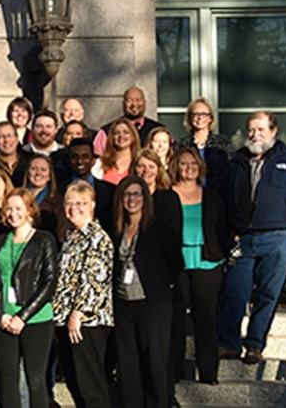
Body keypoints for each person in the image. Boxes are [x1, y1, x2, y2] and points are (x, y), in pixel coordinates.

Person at [218, 111, 286, 364]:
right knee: (235, 291)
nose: (255, 135)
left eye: (261, 130)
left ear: (273, 131)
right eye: (251, 129)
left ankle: (255, 345)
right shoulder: (237, 161)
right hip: (242, 239)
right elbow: (225, 199)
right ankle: (228, 343)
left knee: (269, 293)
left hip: (278, 237)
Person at [111, 176, 183, 408]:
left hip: (152, 304)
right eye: (127, 194)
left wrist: (163, 286)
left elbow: (176, 263)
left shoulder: (158, 227)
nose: (132, 199)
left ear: (145, 198)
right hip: (123, 304)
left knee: (154, 360)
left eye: (137, 194)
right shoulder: (117, 228)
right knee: (128, 363)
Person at [0, 189, 57, 408]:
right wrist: (1, 314)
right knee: (7, 380)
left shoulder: (44, 240)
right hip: (4, 319)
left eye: (19, 208)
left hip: (36, 319)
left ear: (30, 210)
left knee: (35, 380)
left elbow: (50, 282)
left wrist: (23, 317)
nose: (13, 213)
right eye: (9, 208)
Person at [169, 148, 228, 385]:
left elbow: (222, 228)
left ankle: (208, 374)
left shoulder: (211, 196)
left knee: (206, 320)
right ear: (176, 167)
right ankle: (175, 373)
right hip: (177, 266)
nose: (188, 167)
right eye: (183, 163)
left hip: (207, 264)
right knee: (176, 322)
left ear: (200, 167)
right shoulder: (166, 196)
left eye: (193, 163)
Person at [53, 180, 113, 408]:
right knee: (76, 384)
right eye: (69, 203)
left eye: (81, 203)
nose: (74, 208)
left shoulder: (97, 237)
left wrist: (77, 314)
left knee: (90, 387)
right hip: (67, 321)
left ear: (93, 205)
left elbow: (94, 280)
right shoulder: (72, 237)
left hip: (86, 323)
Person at [56, 138, 116, 236]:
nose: (80, 161)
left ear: (93, 160)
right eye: (74, 157)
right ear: (68, 161)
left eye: (85, 157)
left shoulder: (110, 191)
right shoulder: (58, 190)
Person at [174, 98, 232, 194]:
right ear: (189, 118)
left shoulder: (222, 143)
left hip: (219, 195)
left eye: (204, 114)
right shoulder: (181, 145)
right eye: (196, 114)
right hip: (189, 194)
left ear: (210, 118)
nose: (200, 118)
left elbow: (230, 172)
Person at [93, 86, 164, 155]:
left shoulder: (158, 130)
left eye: (138, 100)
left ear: (144, 103)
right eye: (129, 101)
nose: (134, 104)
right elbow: (97, 160)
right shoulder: (106, 132)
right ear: (123, 103)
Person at [91, 118, 140, 185]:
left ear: (133, 136)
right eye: (116, 133)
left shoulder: (139, 162)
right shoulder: (100, 164)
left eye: (126, 132)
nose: (121, 136)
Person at [24, 154, 61, 236]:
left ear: (50, 176)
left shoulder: (57, 201)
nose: (38, 173)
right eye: (34, 169)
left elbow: (61, 232)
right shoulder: (17, 198)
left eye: (43, 170)